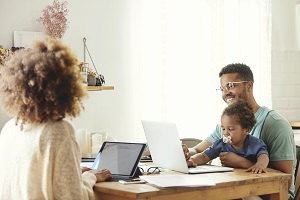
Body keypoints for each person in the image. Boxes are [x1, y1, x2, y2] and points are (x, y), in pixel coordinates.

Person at [0, 37, 112, 199]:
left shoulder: (11, 128)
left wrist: (73, 174)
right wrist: (90, 177)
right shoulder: (58, 131)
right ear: (67, 88)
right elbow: (73, 197)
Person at [183, 63, 296, 198]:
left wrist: (241, 163)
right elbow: (199, 151)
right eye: (222, 88)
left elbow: (286, 180)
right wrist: (185, 155)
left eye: (231, 85)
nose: (226, 92)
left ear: (249, 86)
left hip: (268, 195)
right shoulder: (227, 126)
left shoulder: (275, 124)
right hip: (237, 189)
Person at [187, 100, 269, 174]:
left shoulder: (255, 144)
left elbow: (263, 155)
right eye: (223, 128)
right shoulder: (220, 144)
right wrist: (192, 160)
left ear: (246, 130)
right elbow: (204, 156)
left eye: (231, 129)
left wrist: (260, 165)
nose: (225, 133)